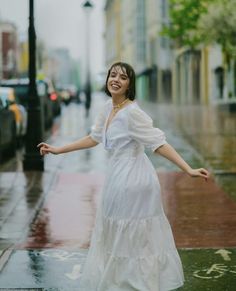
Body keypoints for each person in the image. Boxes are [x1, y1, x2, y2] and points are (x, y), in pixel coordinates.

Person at [38, 62, 210, 291]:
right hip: (116, 179)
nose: (116, 79)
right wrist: (58, 149)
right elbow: (94, 138)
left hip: (136, 180)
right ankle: (122, 284)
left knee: (135, 237)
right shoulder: (108, 108)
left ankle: (142, 284)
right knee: (117, 233)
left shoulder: (132, 113)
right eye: (113, 75)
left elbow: (158, 144)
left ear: (130, 85)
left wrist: (187, 169)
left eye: (123, 77)